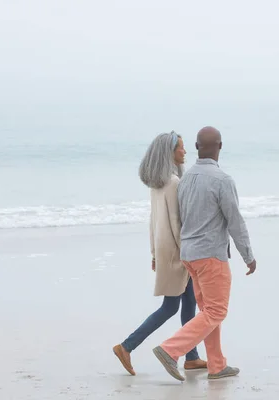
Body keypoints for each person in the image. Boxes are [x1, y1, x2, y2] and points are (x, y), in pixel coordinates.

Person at [152, 126, 257, 381]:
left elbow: (182, 218)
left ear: (198, 148)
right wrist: (248, 254)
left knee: (208, 311)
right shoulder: (222, 180)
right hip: (211, 255)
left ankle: (217, 365)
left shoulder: (185, 179)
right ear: (220, 147)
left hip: (190, 255)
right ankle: (170, 349)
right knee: (216, 311)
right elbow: (235, 221)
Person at [112, 131, 207, 376]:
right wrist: (189, 253)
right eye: (181, 148)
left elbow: (153, 223)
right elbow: (177, 223)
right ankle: (126, 346)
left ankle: (192, 356)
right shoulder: (174, 183)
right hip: (177, 251)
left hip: (165, 250)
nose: (185, 152)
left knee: (188, 305)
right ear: (169, 152)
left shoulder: (158, 183)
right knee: (171, 307)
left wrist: (154, 253)